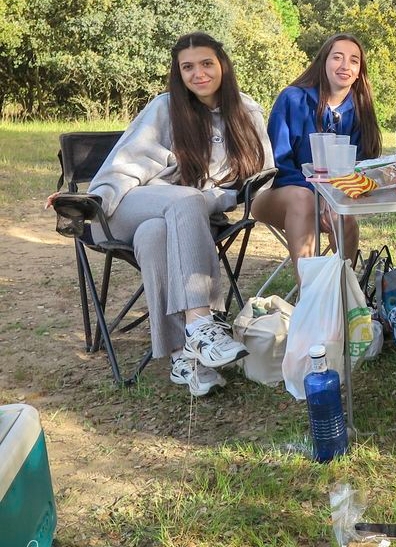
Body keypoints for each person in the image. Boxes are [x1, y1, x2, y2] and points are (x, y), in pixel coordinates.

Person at [48, 32, 274, 397]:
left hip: (181, 221)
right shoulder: (165, 108)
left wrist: (220, 198)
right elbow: (124, 166)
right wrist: (91, 201)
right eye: (188, 67)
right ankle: (201, 326)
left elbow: (261, 174)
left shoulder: (246, 111)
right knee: (185, 200)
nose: (198, 73)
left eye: (206, 64)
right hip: (126, 208)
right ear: (178, 73)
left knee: (157, 235)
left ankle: (183, 357)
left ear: (222, 66)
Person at [251, 34, 382, 269]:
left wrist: (334, 197)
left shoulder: (360, 107)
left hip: (331, 200)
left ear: (359, 71)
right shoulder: (293, 99)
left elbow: (361, 166)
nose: (345, 66)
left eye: (354, 60)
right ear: (323, 62)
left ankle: (344, 293)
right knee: (304, 200)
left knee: (343, 218)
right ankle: (310, 299)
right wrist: (319, 193)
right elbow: (276, 165)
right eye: (337, 58)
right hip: (274, 195)